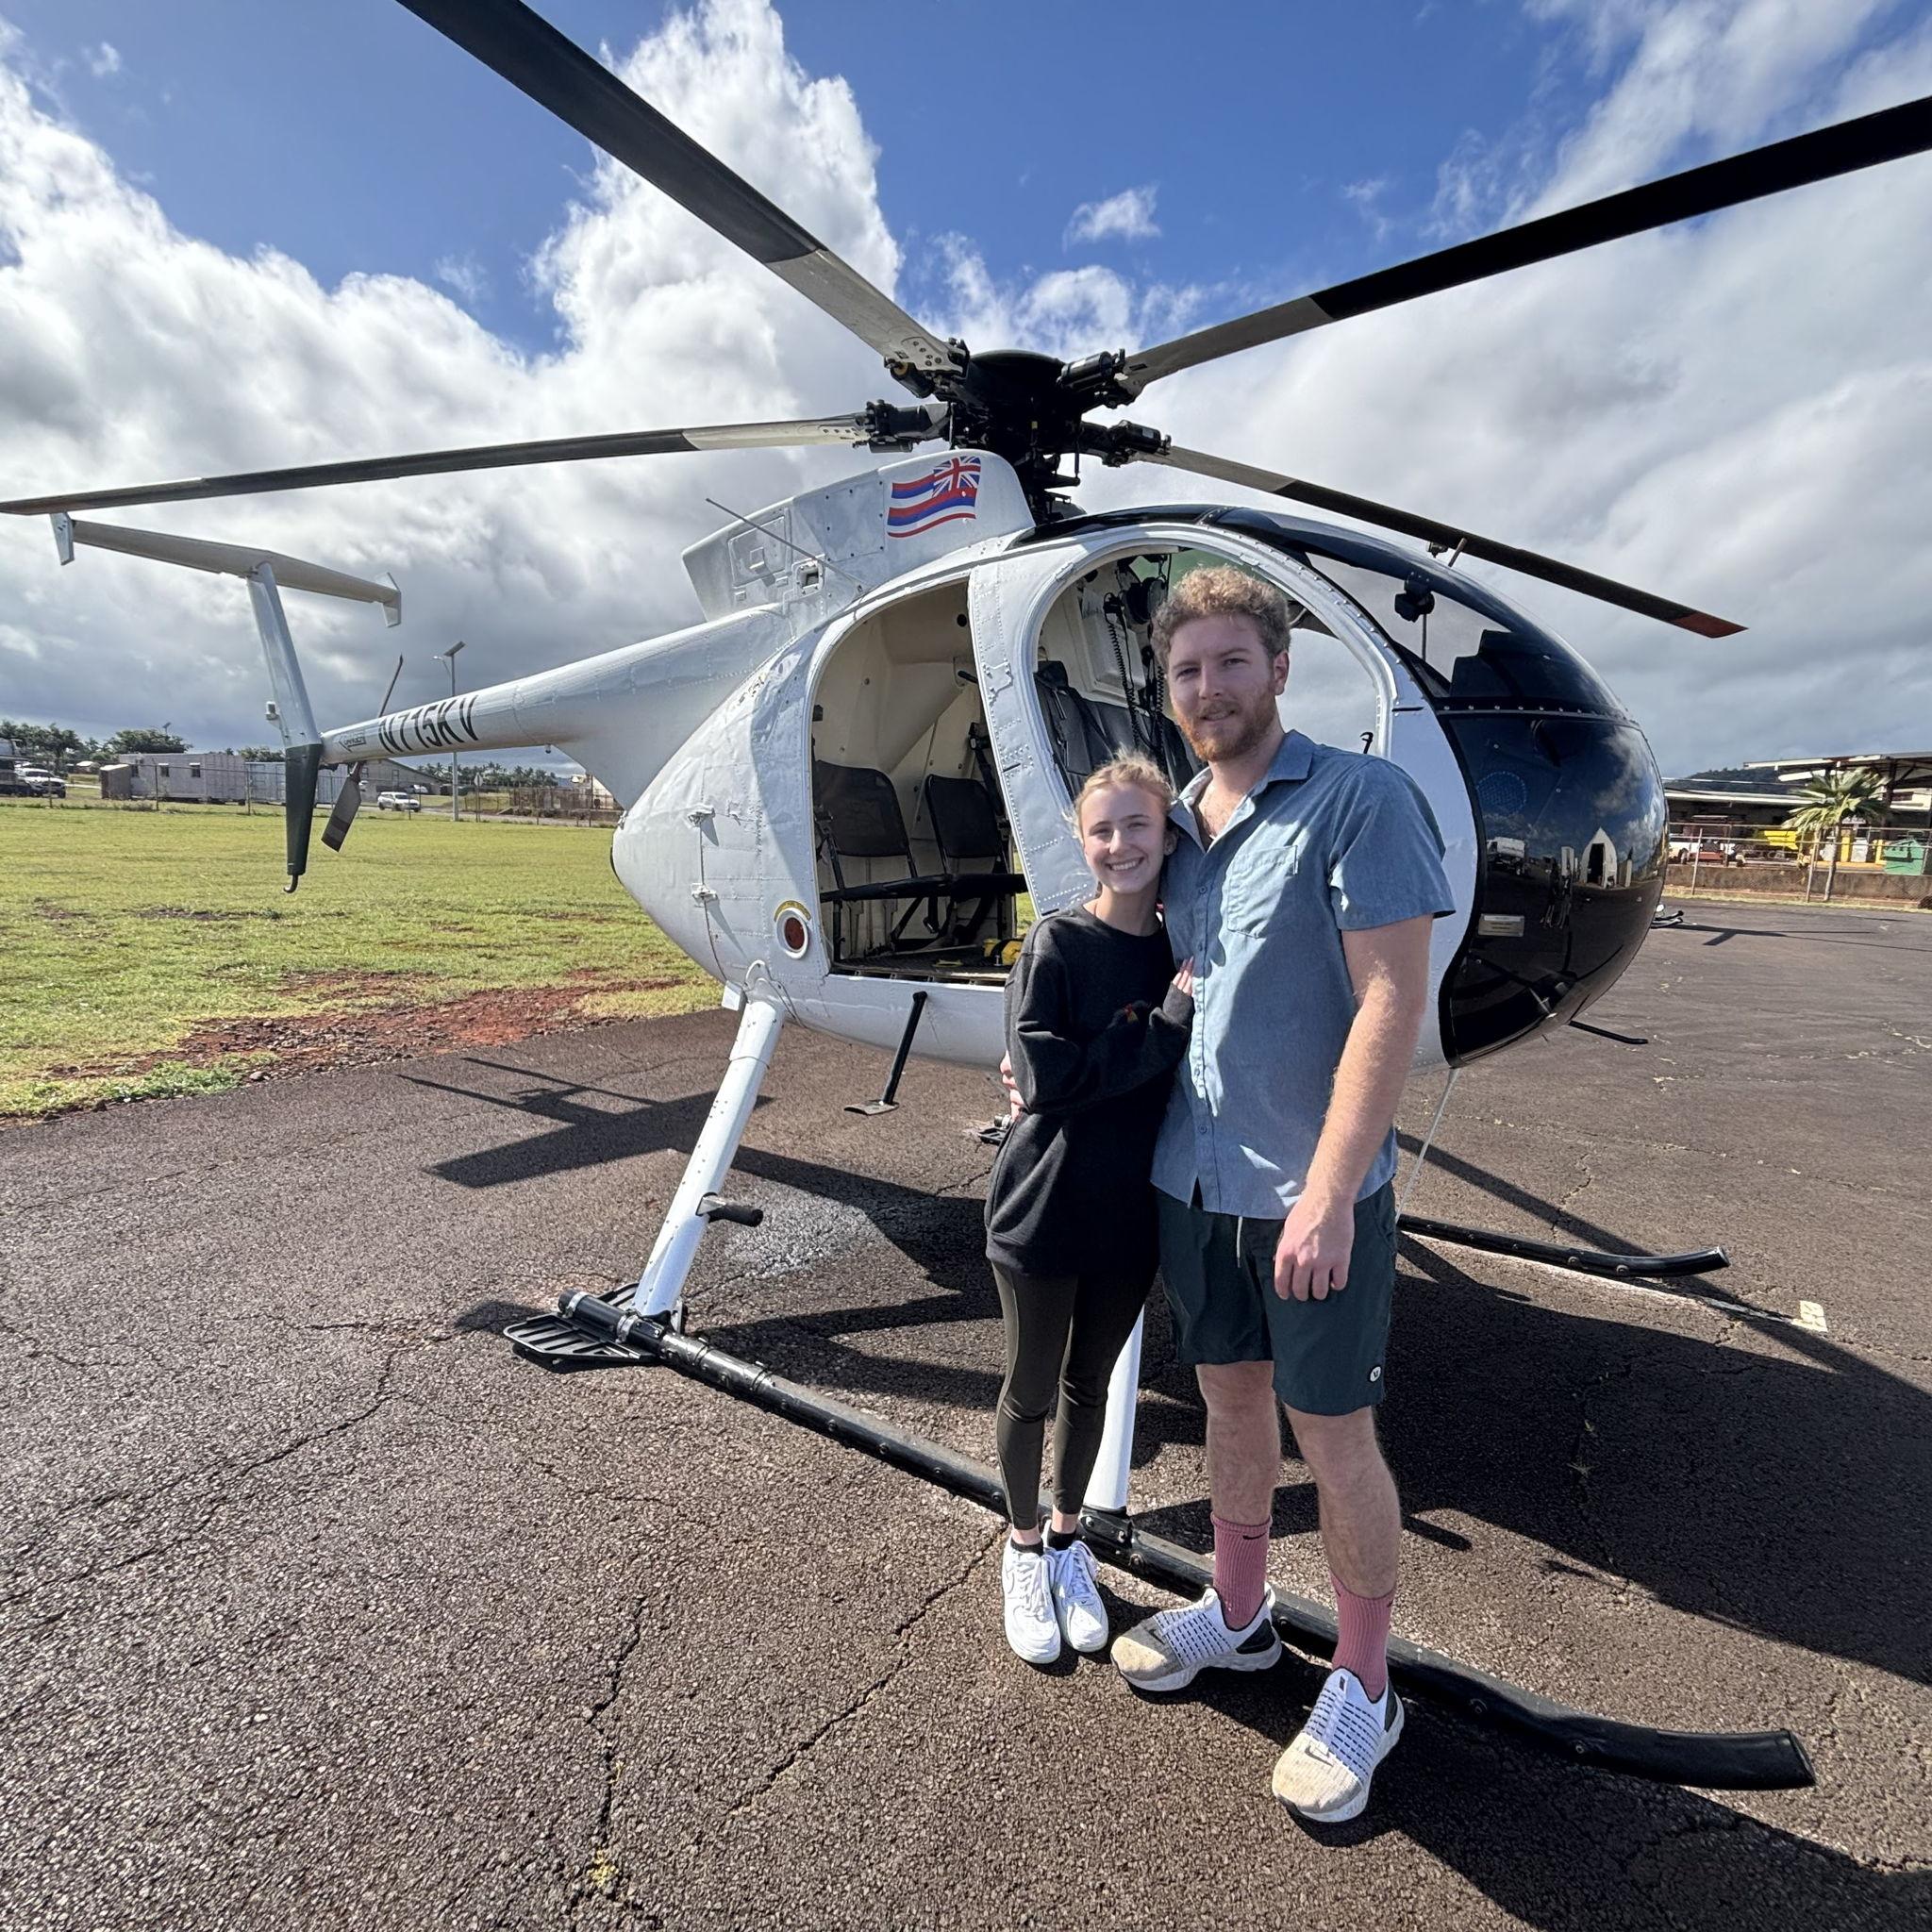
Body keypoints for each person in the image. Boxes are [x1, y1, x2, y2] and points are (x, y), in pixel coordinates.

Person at [1107, 564, 1455, 1825]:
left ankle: (1363, 1681)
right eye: (1187, 670)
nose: (1208, 688)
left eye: (1231, 662)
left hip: (1311, 1196)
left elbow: (1390, 1001)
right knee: (1229, 1401)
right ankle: (1241, 1613)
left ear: (1278, 668)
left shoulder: (1360, 799)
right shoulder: (1176, 829)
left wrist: (1327, 1191)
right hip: (1194, 1184)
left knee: (1334, 1433)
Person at [984, 755, 1195, 1665]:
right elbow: (1042, 1077)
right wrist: (1157, 1032)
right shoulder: (1057, 945)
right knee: (1031, 1388)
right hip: (1044, 1206)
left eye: (1137, 825)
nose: (1120, 844)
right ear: (1082, 842)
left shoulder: (1180, 952)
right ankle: (1022, 1547)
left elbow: (1092, 1073)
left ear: (1168, 835)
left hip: (1129, 1215)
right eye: (1102, 830)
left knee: (1092, 1386)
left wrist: (1124, 1049)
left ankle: (1069, 1542)